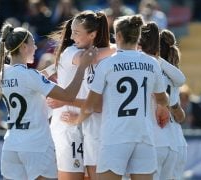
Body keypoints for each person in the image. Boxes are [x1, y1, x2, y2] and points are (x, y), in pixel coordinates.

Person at [0, 22, 96, 180]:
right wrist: (82, 67)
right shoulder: (30, 76)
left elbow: (29, 81)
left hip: (11, 146)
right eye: (33, 44)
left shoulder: (3, 73)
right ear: (23, 48)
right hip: (36, 146)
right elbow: (68, 95)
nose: (35, 48)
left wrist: (55, 68)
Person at [71, 15, 169, 180]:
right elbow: (162, 98)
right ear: (138, 36)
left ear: (119, 36)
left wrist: (77, 120)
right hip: (143, 135)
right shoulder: (152, 63)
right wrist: (162, 106)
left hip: (115, 136)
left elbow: (90, 105)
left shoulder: (107, 64)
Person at [47, 10, 116, 180]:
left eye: (77, 32)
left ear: (92, 34)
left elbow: (98, 104)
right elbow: (89, 58)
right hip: (67, 126)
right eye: (71, 31)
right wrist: (122, 46)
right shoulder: (71, 52)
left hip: (91, 126)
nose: (71, 36)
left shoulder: (105, 60)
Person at [138, 22, 184, 180]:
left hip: (152, 139)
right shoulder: (171, 74)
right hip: (172, 141)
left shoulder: (146, 68)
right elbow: (181, 79)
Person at [160, 29, 188, 179]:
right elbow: (180, 115)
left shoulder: (150, 67)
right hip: (177, 140)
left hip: (157, 137)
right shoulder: (173, 72)